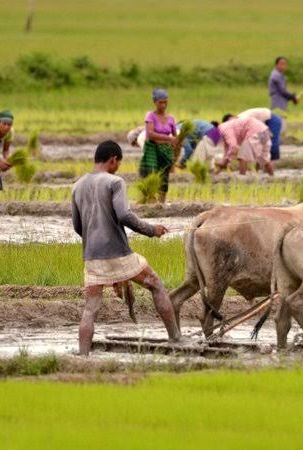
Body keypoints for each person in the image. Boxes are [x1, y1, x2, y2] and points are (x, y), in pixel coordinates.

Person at [72, 141, 181, 355]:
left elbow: (78, 226)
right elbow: (124, 215)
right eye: (118, 163)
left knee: (91, 307)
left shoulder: (77, 185)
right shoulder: (115, 182)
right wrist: (152, 230)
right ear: (113, 159)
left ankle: (82, 356)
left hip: (91, 257)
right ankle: (176, 339)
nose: (118, 167)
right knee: (156, 284)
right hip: (118, 252)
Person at [139, 88, 178, 203]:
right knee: (151, 173)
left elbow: (176, 138)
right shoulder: (150, 116)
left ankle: (161, 203)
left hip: (165, 151)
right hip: (152, 148)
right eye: (160, 102)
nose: (163, 105)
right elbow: (150, 134)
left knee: (164, 177)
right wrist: (168, 138)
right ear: (155, 102)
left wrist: (175, 152)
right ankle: (150, 200)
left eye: (165, 102)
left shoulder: (171, 119)